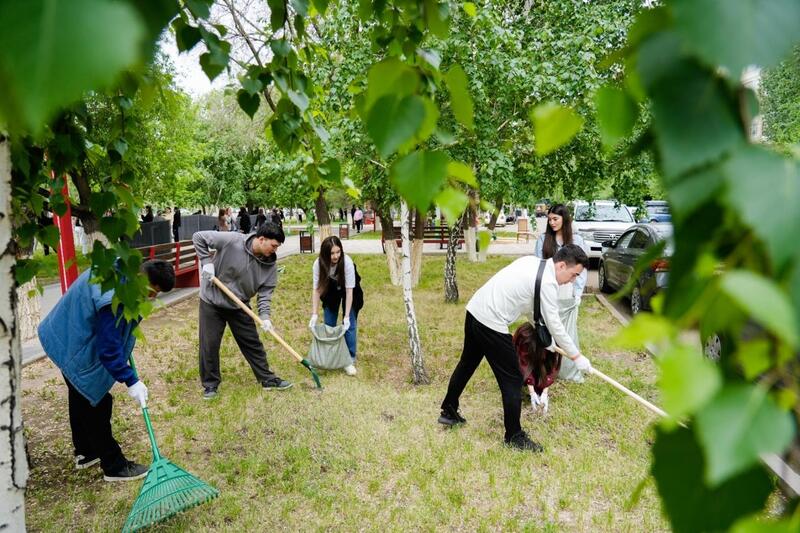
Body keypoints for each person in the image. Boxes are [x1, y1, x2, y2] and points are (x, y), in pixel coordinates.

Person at [438, 245, 592, 451]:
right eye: (573, 275)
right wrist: (576, 356)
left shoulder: (533, 263)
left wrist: (548, 342)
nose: (572, 280)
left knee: (467, 363)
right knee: (512, 379)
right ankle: (514, 436)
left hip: (475, 309)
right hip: (491, 321)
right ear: (562, 265)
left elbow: (534, 310)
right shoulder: (548, 282)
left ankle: (449, 410)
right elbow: (555, 323)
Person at [38, 260, 175, 481]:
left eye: (155, 295)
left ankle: (85, 452)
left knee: (80, 394)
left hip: (64, 332)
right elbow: (108, 350)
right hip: (69, 341)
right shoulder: (115, 297)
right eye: (151, 291)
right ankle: (114, 465)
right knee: (97, 402)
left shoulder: (122, 271)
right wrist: (130, 380)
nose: (151, 298)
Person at [193, 222, 292, 399]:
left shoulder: (269, 266)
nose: (275, 250)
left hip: (239, 304)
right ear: (261, 239)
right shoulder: (232, 240)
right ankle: (210, 385)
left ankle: (267, 379)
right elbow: (198, 237)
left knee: (252, 343)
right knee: (210, 344)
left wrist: (265, 317)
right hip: (212, 300)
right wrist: (206, 262)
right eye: (274, 245)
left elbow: (265, 294)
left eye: (277, 247)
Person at [533, 204, 588, 382]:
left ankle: (567, 371)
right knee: (546, 331)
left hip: (567, 290)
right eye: (549, 219)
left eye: (555, 218)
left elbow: (582, 270)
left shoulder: (576, 240)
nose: (552, 222)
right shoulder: (543, 239)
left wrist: (577, 293)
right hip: (548, 288)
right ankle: (543, 372)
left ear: (565, 219)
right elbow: (537, 264)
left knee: (566, 333)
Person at [309, 236, 363, 376]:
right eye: (332, 253)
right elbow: (317, 289)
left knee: (350, 324)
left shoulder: (347, 263)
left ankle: (349, 360)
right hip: (330, 289)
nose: (335, 256)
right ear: (325, 254)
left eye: (338, 252)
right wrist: (314, 314)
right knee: (329, 325)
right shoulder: (318, 264)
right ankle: (331, 356)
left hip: (349, 289)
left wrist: (346, 317)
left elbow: (350, 291)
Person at [514, 322, 560, 415]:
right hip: (522, 356)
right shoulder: (525, 336)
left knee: (540, 383)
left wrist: (545, 392)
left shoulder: (555, 338)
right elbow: (524, 364)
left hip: (542, 353)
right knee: (518, 377)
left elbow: (553, 365)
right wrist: (531, 392)